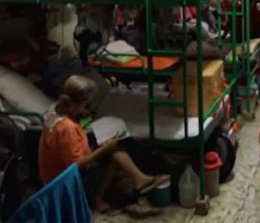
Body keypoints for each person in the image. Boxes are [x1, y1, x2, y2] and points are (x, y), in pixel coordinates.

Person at [38, 75, 169, 212]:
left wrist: (89, 128)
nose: (85, 109)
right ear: (74, 105)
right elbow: (76, 164)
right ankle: (97, 201)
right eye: (85, 105)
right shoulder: (67, 128)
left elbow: (70, 143)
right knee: (112, 154)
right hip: (61, 180)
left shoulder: (54, 111)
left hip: (55, 170)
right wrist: (104, 148)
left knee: (112, 146)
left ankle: (140, 179)